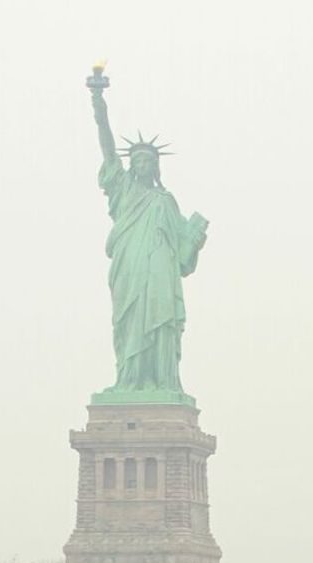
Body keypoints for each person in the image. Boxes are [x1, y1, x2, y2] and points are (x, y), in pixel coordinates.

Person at [87, 66, 208, 396]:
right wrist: (98, 102)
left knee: (160, 322)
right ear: (130, 166)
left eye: (147, 161)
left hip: (159, 274)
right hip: (129, 266)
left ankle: (161, 381)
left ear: (155, 167)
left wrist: (195, 238)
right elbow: (107, 146)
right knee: (128, 323)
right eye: (137, 161)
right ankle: (129, 380)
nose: (142, 165)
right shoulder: (123, 189)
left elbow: (183, 256)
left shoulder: (165, 201)